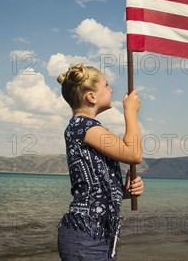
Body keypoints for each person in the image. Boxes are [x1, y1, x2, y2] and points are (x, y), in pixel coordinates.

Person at [56, 63, 143, 261]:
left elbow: (94, 190)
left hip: (98, 236)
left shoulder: (86, 127)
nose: (111, 89)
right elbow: (134, 154)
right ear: (91, 97)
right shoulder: (84, 126)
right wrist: (130, 112)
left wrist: (124, 192)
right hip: (86, 238)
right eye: (107, 85)